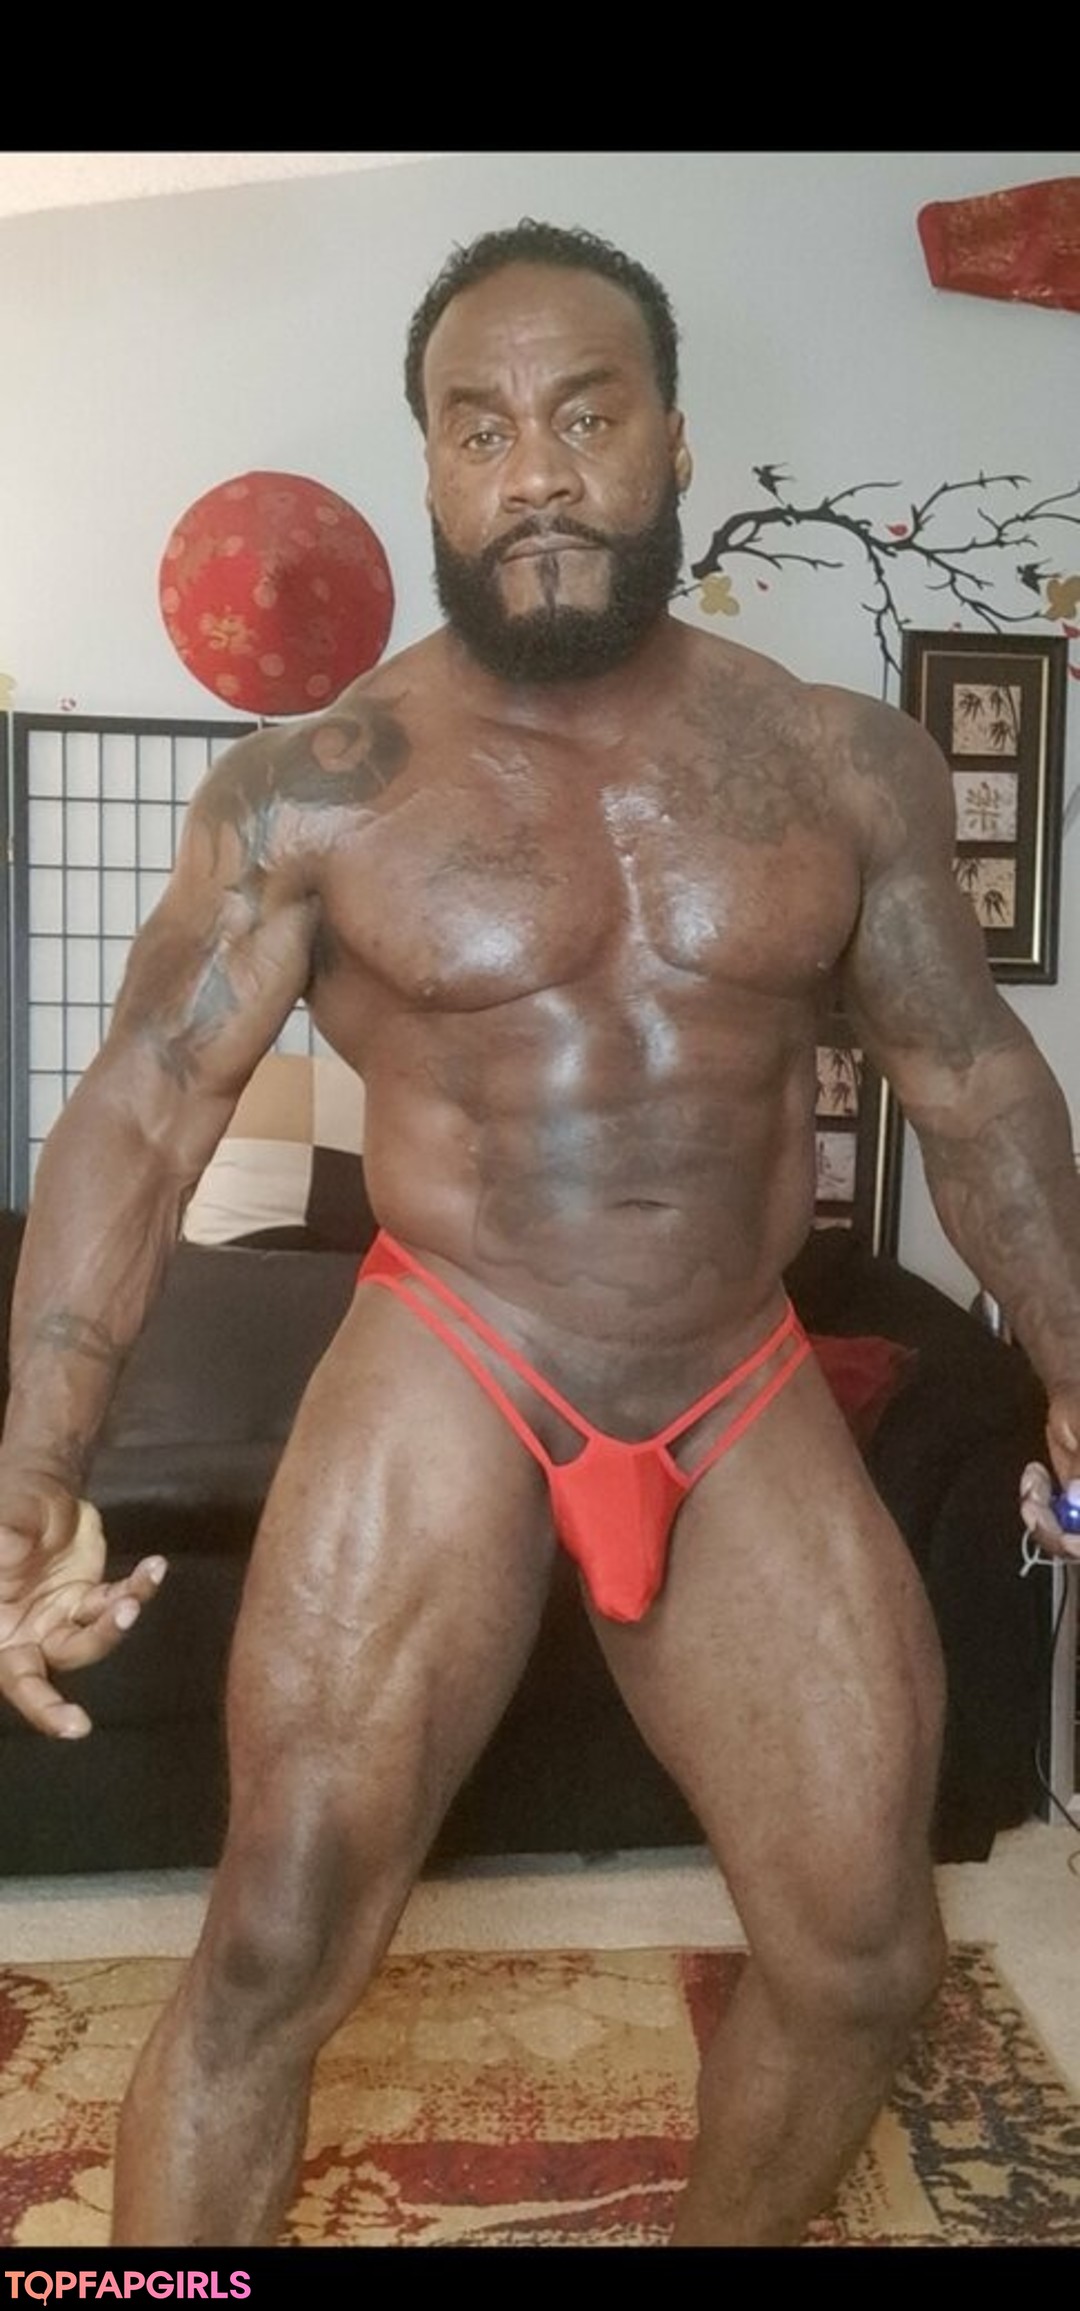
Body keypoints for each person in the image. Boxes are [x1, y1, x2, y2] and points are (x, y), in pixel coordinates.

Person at [1, 218, 1078, 2249]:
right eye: (481, 428)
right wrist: (30, 1466)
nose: (540, 472)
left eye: (587, 415)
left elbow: (974, 1079)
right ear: (429, 468)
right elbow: (142, 1111)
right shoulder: (313, 789)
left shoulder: (836, 764)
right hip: (457, 1344)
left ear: (674, 439)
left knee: (867, 1955)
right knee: (275, 1942)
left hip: (732, 1362)